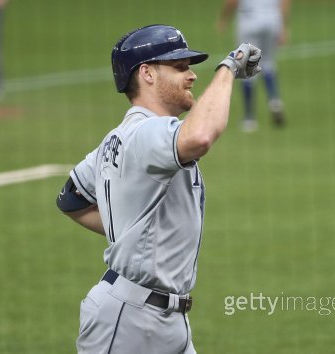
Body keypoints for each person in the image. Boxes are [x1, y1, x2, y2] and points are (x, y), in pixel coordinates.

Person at [56, 24, 261, 353]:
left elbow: (71, 200)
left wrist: (130, 232)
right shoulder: (146, 134)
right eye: (180, 67)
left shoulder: (119, 137)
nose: (191, 75)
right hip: (130, 323)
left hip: (163, 319)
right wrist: (228, 68)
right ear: (147, 74)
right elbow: (200, 136)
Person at [217, 0, 291, 130]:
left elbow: (232, 2)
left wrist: (224, 19)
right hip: (272, 20)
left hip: (249, 20)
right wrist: (283, 26)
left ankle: (249, 119)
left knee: (246, 66)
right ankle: (274, 100)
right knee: (268, 62)